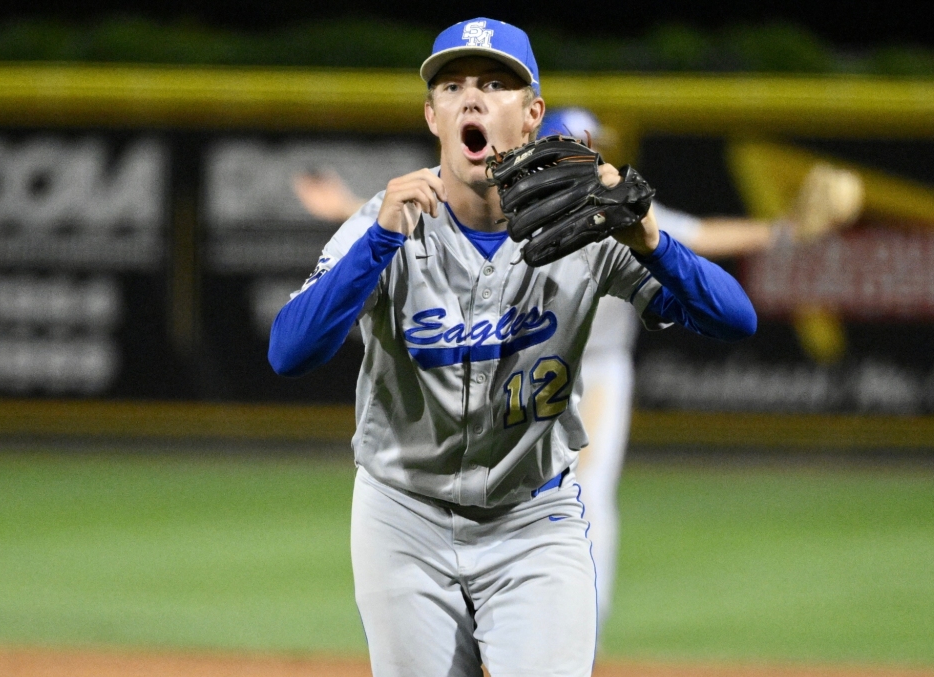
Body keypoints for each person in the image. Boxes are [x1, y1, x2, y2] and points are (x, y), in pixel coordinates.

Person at [269, 18, 756, 677]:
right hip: (402, 517)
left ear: (531, 117)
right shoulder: (386, 221)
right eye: (454, 85)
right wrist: (377, 244)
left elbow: (735, 319)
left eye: (496, 84)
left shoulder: (586, 224)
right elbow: (289, 352)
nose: (473, 98)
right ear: (432, 115)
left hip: (534, 519)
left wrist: (652, 241)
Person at [292, 105, 857, 634]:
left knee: (587, 488)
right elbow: (430, 217)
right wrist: (349, 207)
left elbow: (702, 240)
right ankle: (484, 603)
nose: (589, 151)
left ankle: (583, 615)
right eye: (576, 141)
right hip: (523, 355)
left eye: (595, 144)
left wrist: (782, 232)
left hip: (601, 367)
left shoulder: (612, 200)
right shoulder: (498, 196)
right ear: (541, 139)